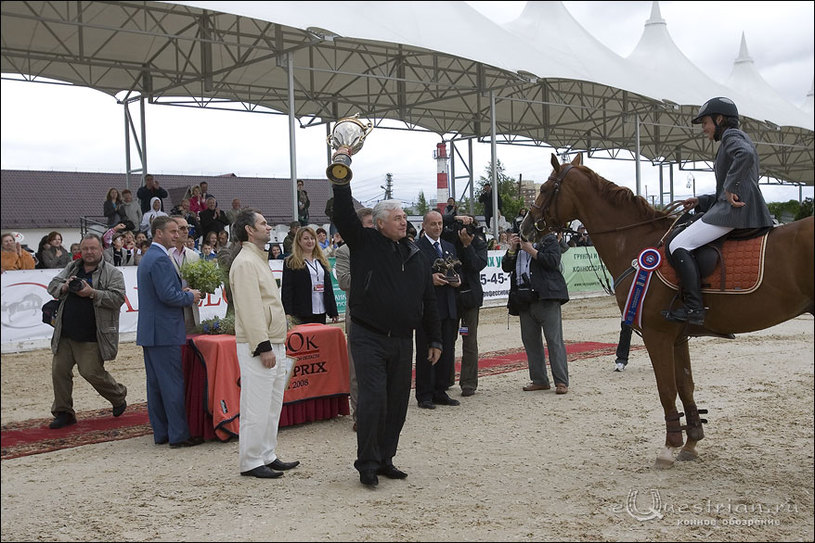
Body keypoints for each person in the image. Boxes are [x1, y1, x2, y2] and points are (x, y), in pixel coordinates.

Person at [332, 181, 441, 488]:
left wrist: (434, 339)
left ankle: (385, 458)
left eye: (405, 217)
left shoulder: (415, 253)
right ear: (379, 224)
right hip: (369, 336)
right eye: (396, 218)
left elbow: (428, 298)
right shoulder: (365, 242)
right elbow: (343, 213)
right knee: (373, 400)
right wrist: (341, 176)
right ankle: (366, 463)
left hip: (403, 339)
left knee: (396, 403)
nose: (404, 221)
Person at [665, 97, 774, 326]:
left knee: (678, 244)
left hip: (734, 213)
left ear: (719, 119)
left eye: (705, 122)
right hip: (737, 208)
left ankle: (694, 308)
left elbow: (745, 156)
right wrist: (701, 201)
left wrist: (730, 187)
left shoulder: (731, 136)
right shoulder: (735, 137)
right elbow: (733, 183)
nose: (704, 128)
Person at [229, 208, 300, 479]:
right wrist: (262, 346)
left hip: (275, 341)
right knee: (256, 406)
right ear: (249, 229)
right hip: (260, 345)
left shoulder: (258, 259)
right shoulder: (246, 262)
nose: (269, 227)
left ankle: (267, 454)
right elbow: (249, 309)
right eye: (263, 223)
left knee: (272, 405)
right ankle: (250, 461)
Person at [45, 234, 128, 429]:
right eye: (85, 249)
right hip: (65, 332)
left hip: (92, 334)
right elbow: (52, 286)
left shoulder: (113, 273)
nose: (89, 252)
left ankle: (118, 396)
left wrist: (91, 292)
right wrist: (65, 286)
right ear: (80, 251)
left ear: (101, 250)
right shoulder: (72, 268)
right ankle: (63, 412)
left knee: (91, 372)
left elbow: (118, 299)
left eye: (93, 248)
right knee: (59, 372)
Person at [136, 216, 203, 448]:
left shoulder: (149, 257)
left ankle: (162, 432)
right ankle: (179, 435)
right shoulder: (161, 259)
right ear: (158, 233)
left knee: (155, 385)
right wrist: (189, 296)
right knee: (172, 383)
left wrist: (178, 291)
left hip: (151, 331)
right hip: (164, 331)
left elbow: (162, 293)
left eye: (178, 231)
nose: (177, 235)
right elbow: (168, 296)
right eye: (172, 231)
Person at [503, 231, 570, 395]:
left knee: (554, 341)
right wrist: (512, 249)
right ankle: (539, 380)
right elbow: (506, 267)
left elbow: (553, 261)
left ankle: (561, 381)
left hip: (546, 297)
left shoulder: (548, 239)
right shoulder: (517, 245)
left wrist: (531, 250)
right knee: (531, 342)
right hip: (524, 299)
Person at [414, 210, 460, 410]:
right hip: (428, 308)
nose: (438, 227)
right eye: (433, 224)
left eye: (440, 223)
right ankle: (424, 393)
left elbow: (458, 270)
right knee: (427, 351)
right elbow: (412, 276)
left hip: (449, 305)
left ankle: (441, 390)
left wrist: (459, 280)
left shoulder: (449, 247)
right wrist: (429, 280)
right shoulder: (417, 248)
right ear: (424, 226)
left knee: (447, 350)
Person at [334, 207, 374, 432]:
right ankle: (359, 414)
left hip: (384, 317)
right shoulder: (345, 252)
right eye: (369, 223)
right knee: (358, 371)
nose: (373, 226)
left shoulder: (387, 248)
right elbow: (345, 281)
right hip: (358, 317)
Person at [442, 213, 488, 396]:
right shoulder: (449, 237)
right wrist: (455, 218)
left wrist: (468, 245)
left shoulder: (478, 241)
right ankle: (446, 378)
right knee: (448, 339)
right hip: (450, 297)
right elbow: (437, 219)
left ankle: (469, 383)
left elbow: (477, 265)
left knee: (469, 341)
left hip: (470, 299)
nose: (463, 230)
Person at [281, 227, 339, 325]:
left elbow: (328, 288)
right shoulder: (291, 262)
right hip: (301, 312)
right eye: (306, 238)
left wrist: (333, 311)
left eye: (312, 238)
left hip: (321, 311)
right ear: (299, 241)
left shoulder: (321, 260)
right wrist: (288, 312)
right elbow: (287, 289)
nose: (310, 241)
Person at [169, 216, 201, 333]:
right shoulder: (164, 255)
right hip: (171, 310)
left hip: (191, 311)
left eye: (187, 228)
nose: (186, 231)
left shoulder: (194, 256)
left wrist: (202, 289)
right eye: (182, 228)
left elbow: (199, 285)